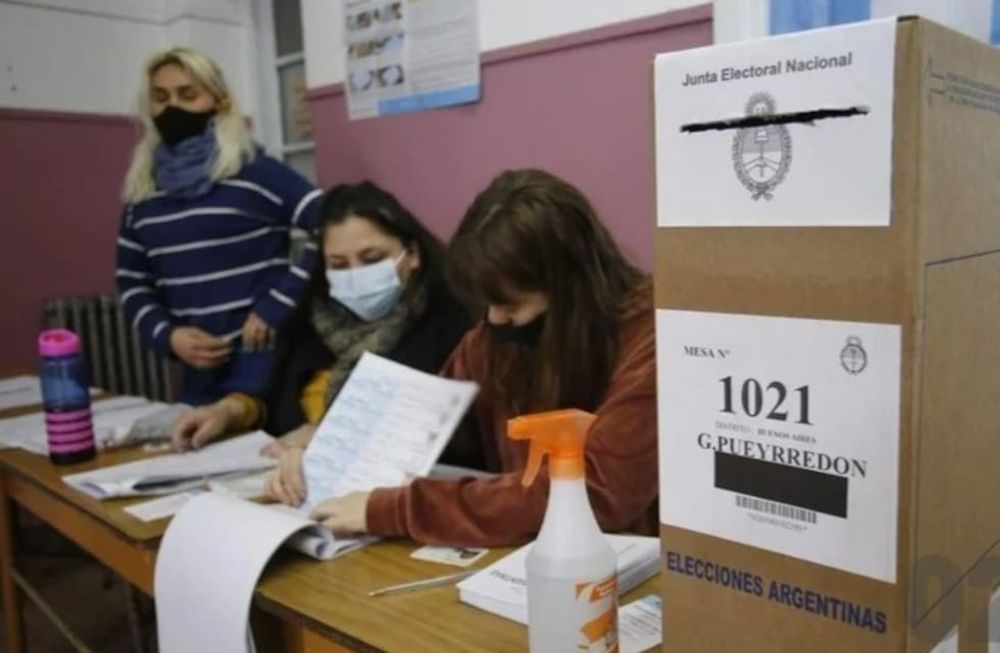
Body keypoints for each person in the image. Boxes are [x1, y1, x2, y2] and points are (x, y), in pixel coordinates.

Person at [265, 169, 658, 548]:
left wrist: (399, 509)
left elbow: (599, 489)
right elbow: (420, 423)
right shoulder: (491, 339)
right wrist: (321, 461)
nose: (493, 321)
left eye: (509, 305)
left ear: (570, 286)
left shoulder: (652, 335)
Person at [170, 181, 472, 451]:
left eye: (372, 259)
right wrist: (228, 411)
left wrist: (333, 441)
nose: (356, 275)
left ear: (413, 254)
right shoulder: (310, 324)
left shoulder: (456, 329)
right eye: (339, 265)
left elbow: (456, 440)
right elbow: (271, 399)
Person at [115, 47, 323, 405]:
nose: (172, 108)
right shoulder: (143, 191)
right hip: (199, 373)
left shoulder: (256, 171)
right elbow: (132, 281)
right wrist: (169, 336)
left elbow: (335, 226)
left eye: (188, 94)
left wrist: (278, 304)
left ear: (220, 102)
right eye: (160, 98)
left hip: (269, 360)